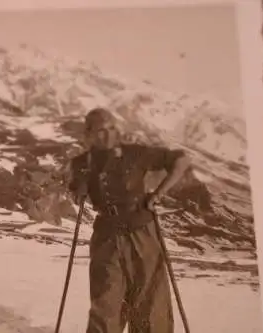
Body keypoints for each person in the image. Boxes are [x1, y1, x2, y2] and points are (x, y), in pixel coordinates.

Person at [68, 108, 191, 333]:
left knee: (150, 304)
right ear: (89, 134)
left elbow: (181, 160)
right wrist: (80, 189)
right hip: (106, 237)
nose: (109, 135)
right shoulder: (80, 163)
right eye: (101, 130)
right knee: (105, 303)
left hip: (142, 232)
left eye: (113, 128)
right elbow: (76, 193)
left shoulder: (136, 153)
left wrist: (159, 193)